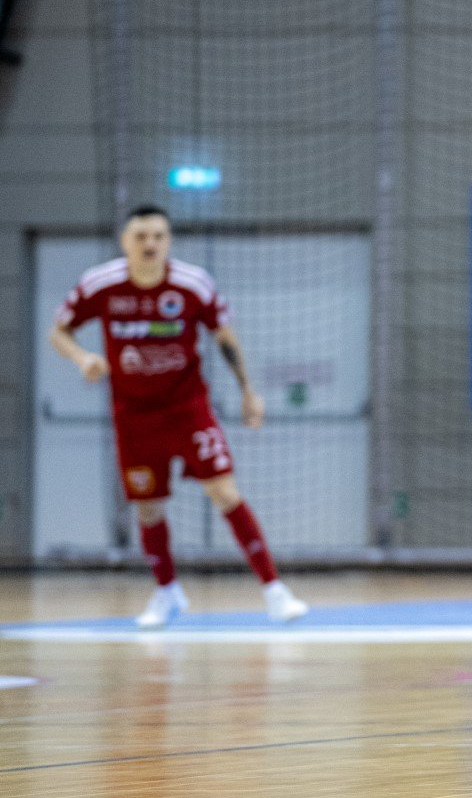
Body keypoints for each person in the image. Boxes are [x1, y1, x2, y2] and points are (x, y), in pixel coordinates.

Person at [49, 205, 309, 628]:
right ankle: (167, 592)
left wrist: (248, 391)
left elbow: (224, 335)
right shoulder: (101, 284)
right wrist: (82, 357)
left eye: (158, 236)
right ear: (125, 242)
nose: (150, 244)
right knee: (148, 508)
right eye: (141, 236)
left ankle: (275, 591)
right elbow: (58, 331)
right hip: (133, 415)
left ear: (168, 241)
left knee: (224, 491)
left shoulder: (192, 284)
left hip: (187, 409)